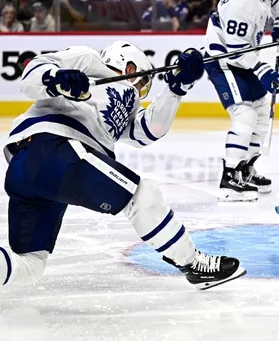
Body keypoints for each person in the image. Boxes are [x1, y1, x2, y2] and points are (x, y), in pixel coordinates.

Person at [0, 41, 246, 290]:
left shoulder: (128, 105)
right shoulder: (89, 59)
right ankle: (193, 264)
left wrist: (177, 89)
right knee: (142, 195)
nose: (140, 88)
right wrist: (56, 79)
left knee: (30, 264)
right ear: (125, 62)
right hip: (52, 147)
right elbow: (32, 73)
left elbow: (149, 131)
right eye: (139, 79)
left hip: (31, 169)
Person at [204, 0, 279, 202]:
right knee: (244, 113)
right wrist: (263, 71)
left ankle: (245, 169)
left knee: (261, 110)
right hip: (224, 59)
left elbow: (275, 0)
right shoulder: (240, 3)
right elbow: (236, 52)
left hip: (245, 58)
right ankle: (229, 176)